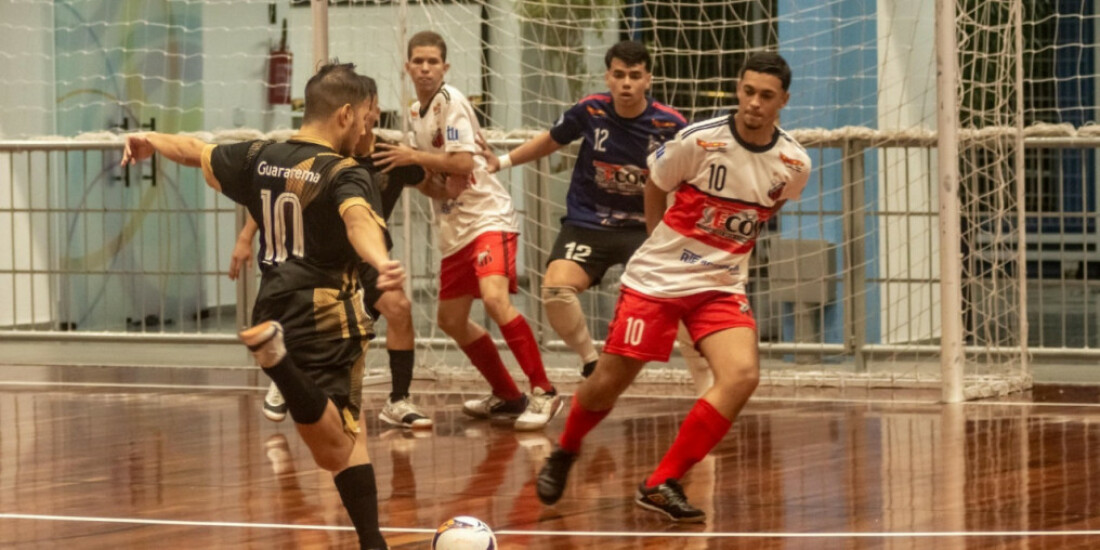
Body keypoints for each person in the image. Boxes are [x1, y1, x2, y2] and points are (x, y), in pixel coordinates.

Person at [122, 63, 398, 549]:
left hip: (271, 302)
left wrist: (151, 138)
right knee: (334, 448)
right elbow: (357, 220)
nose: (365, 129)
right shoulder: (344, 172)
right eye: (364, 120)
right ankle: (278, 361)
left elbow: (195, 150)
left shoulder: (260, 155)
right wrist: (381, 259)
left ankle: (372, 543)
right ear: (346, 114)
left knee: (352, 439)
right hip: (324, 310)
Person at [535, 52, 811, 523]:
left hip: (721, 286)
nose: (754, 104)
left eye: (767, 96)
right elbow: (655, 182)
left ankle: (662, 481)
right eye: (748, 92)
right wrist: (659, 242)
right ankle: (565, 449)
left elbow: (768, 211)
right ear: (738, 90)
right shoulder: (698, 140)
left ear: (783, 101)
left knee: (742, 376)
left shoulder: (794, 163)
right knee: (609, 382)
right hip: (659, 280)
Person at [373, 30, 562, 431]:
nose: (425, 68)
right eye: (418, 62)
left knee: (494, 299)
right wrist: (414, 175)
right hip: (454, 223)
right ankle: (509, 396)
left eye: (432, 62)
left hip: (486, 217)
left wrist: (413, 156)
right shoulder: (413, 113)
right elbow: (435, 177)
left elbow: (461, 162)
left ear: (445, 67)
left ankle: (544, 391)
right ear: (407, 67)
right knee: (452, 319)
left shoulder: (451, 102)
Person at [484, 40, 697, 382]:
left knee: (683, 301)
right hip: (588, 223)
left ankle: (706, 385)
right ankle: (590, 362)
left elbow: (693, 174)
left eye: (634, 75)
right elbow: (551, 139)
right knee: (555, 290)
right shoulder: (590, 110)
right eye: (619, 75)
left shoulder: (671, 124)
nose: (626, 82)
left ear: (648, 80)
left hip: (646, 229)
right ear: (608, 77)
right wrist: (504, 160)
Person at [231, 88, 433, 430]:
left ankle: (397, 400)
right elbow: (285, 189)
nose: (365, 117)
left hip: (367, 258)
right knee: (317, 332)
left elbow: (438, 185)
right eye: (359, 110)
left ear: (376, 112)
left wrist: (426, 160)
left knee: (398, 309)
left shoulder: (390, 156)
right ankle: (285, 374)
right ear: (347, 113)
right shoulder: (330, 153)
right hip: (324, 258)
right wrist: (245, 236)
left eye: (371, 109)